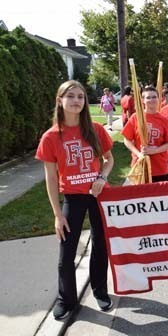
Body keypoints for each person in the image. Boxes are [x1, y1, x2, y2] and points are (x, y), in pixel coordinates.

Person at [35, 80, 114, 320]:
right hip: (72, 197)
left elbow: (109, 159)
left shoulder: (95, 129)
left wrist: (102, 176)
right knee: (66, 252)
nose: (77, 100)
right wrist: (58, 215)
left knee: (101, 246)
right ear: (60, 100)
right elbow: (50, 178)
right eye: (71, 96)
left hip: (99, 195)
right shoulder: (51, 137)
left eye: (80, 96)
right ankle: (65, 298)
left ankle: (100, 290)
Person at [122, 86, 168, 182]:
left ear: (159, 99)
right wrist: (138, 154)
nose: (152, 100)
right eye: (148, 97)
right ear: (143, 100)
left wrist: (155, 150)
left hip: (160, 167)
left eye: (154, 97)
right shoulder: (136, 117)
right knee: (140, 195)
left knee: (159, 196)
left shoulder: (164, 120)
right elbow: (126, 139)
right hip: (140, 166)